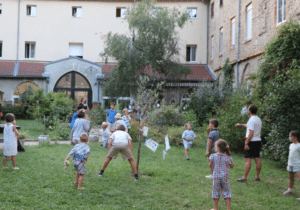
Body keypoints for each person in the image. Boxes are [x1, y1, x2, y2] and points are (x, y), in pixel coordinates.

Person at [235, 104, 262, 182]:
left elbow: (251, 132)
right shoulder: (258, 119)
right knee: (257, 158)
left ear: (249, 111)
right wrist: (241, 125)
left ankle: (244, 177)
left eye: (248, 109)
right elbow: (250, 126)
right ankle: (257, 177)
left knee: (247, 159)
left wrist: (246, 143)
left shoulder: (251, 120)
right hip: (257, 141)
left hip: (251, 141)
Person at [209, 139, 234, 210]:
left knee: (216, 192)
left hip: (216, 177)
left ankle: (215, 208)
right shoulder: (227, 157)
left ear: (218, 148)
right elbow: (232, 166)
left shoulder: (213, 156)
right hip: (225, 177)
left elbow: (210, 164)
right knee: (227, 192)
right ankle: (228, 208)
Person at [282, 131, 300, 199]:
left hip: (298, 165)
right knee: (291, 178)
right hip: (291, 165)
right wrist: (288, 164)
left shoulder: (299, 145)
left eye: (290, 136)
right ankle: (290, 190)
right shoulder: (291, 145)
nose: (289, 137)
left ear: (295, 137)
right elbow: (291, 156)